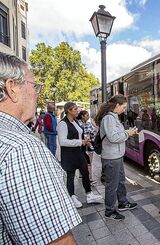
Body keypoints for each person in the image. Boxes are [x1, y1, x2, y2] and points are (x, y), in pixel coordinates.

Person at [0, 52, 81, 243]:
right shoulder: (21, 149)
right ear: (12, 88)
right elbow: (57, 240)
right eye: (34, 86)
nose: (37, 93)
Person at [95, 95, 138, 220]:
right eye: (123, 107)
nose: (124, 110)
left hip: (116, 155)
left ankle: (123, 203)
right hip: (111, 157)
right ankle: (109, 211)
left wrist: (126, 132)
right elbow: (113, 137)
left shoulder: (113, 117)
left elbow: (115, 134)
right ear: (117, 106)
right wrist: (127, 133)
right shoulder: (109, 118)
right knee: (112, 185)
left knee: (120, 181)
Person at [57, 102, 103, 208]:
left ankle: (89, 194)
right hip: (69, 154)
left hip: (79, 152)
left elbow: (79, 134)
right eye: (75, 109)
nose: (77, 111)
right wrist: (80, 142)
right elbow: (63, 141)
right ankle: (72, 196)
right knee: (71, 176)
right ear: (69, 110)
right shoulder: (63, 124)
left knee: (85, 173)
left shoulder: (76, 122)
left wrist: (85, 140)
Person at [77, 110, 96, 183]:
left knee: (89, 162)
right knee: (82, 162)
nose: (88, 117)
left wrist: (91, 136)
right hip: (82, 146)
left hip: (89, 145)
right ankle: (83, 175)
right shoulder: (78, 124)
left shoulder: (89, 124)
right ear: (82, 116)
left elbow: (94, 132)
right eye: (87, 115)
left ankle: (89, 178)